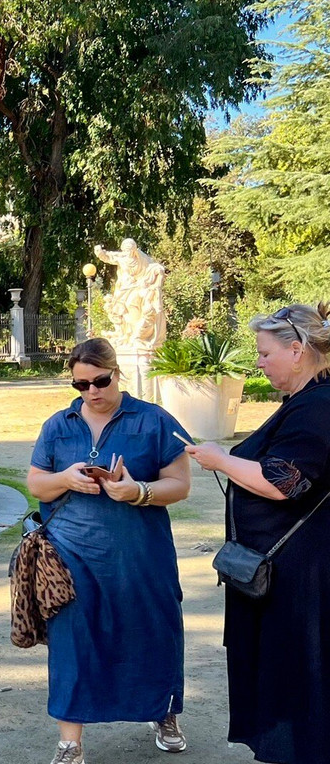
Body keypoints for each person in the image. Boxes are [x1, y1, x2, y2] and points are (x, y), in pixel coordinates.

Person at [27, 337, 193, 764]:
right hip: (70, 554)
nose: (92, 391)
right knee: (73, 641)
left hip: (140, 553)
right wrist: (66, 478)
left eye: (100, 381)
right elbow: (36, 484)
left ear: (117, 374)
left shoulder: (153, 419)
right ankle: (70, 741)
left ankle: (164, 712)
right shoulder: (58, 424)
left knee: (155, 630)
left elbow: (179, 485)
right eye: (81, 385)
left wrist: (136, 491)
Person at [185, 304, 330, 764]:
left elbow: (287, 481)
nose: (260, 362)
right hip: (284, 576)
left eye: (265, 353)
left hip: (300, 580)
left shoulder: (318, 407)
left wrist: (220, 459)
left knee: (298, 682)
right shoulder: (303, 401)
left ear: (298, 350)